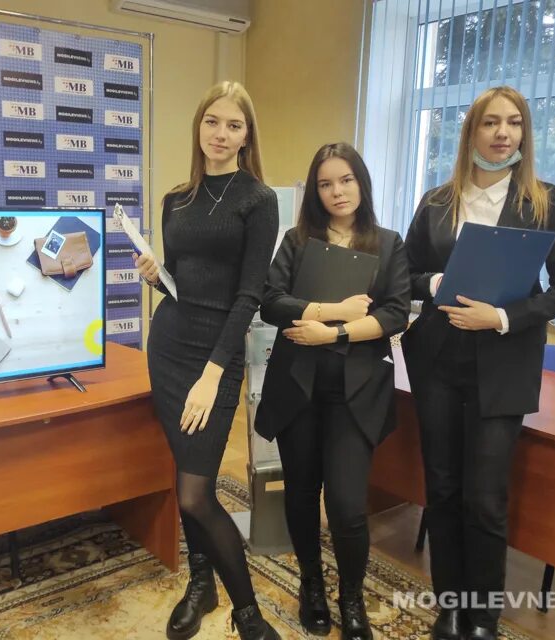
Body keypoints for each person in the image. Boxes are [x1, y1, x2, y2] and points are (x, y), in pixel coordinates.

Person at [401, 86, 555, 640]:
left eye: (514, 122)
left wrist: (503, 317)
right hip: (437, 361)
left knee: (484, 497)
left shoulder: (543, 201)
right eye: (490, 122)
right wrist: (434, 282)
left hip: (503, 365)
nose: (503, 132)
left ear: (525, 132)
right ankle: (450, 607)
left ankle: (482, 617)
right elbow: (402, 275)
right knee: (443, 488)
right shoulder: (437, 201)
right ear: (471, 132)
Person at [134, 81, 280, 640]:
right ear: (199, 127)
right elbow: (182, 283)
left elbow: (248, 296)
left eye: (233, 125)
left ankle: (249, 616)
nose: (221, 133)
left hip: (215, 357)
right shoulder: (177, 199)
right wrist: (157, 278)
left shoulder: (257, 200)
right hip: (169, 346)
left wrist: (213, 375)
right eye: (212, 122)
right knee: (184, 476)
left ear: (247, 136)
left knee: (196, 492)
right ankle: (202, 584)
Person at [254, 143, 411, 640]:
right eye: (325, 184)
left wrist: (334, 334)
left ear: (361, 182)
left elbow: (395, 314)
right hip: (298, 388)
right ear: (314, 192)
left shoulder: (388, 243)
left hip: (355, 393)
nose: (337, 191)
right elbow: (270, 302)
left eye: (346, 180)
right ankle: (312, 586)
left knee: (346, 505)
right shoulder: (298, 241)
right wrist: (332, 311)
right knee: (302, 494)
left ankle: (351, 597)